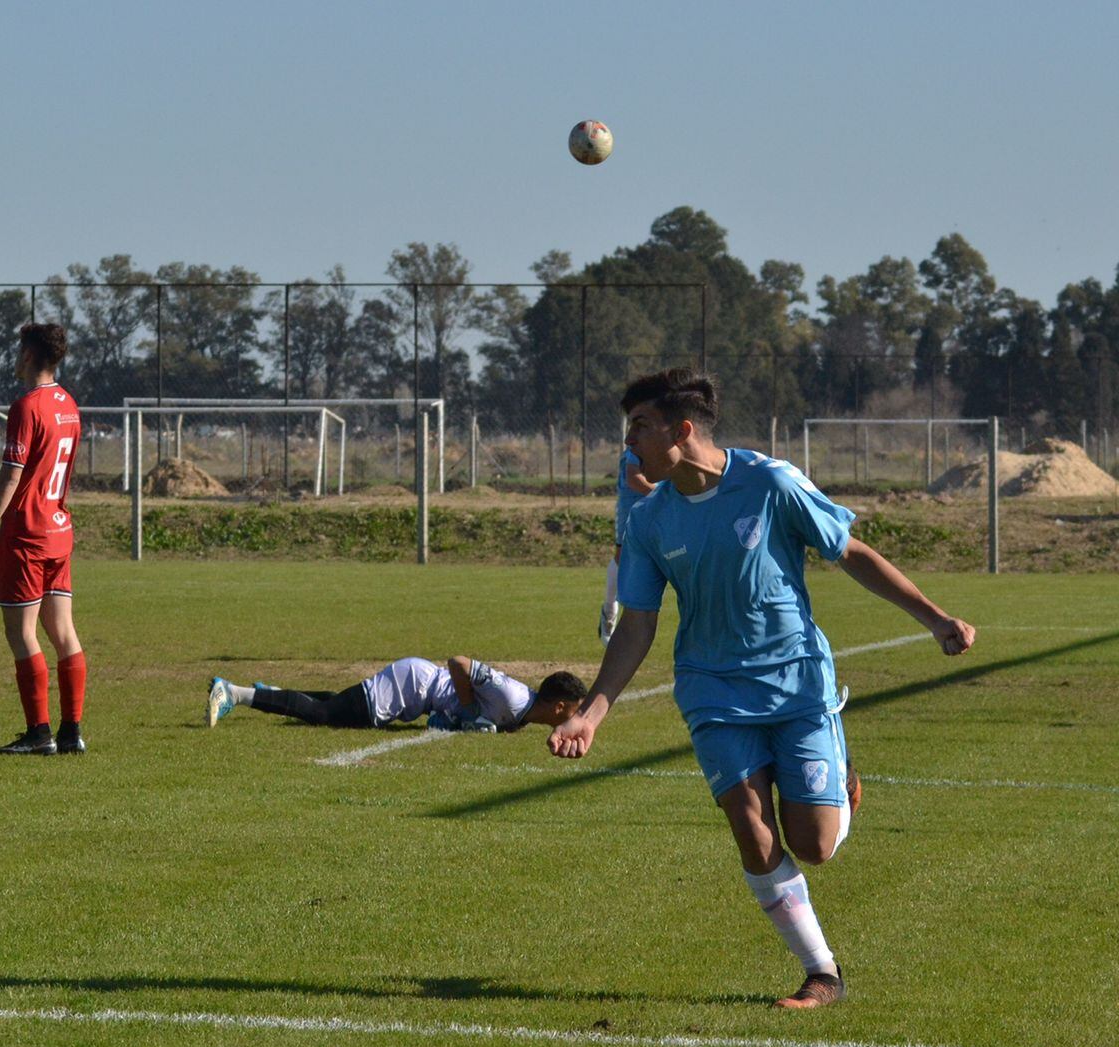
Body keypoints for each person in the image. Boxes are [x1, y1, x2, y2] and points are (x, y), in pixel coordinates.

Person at [546, 368, 975, 1010]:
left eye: (639, 427)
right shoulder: (648, 520)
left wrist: (936, 618)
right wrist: (590, 715)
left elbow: (848, 550)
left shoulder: (770, 482)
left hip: (798, 683)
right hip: (712, 692)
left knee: (815, 846)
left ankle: (841, 785)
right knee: (750, 827)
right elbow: (637, 626)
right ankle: (822, 972)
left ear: (681, 430)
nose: (628, 445)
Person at [0, 323, 86, 755]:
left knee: (22, 634)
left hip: (29, 536)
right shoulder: (69, 405)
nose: (15, 357)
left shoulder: (26, 407)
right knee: (64, 631)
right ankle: (72, 732)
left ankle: (39, 733)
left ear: (31, 356)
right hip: (58, 529)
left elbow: (13, 473)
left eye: (20, 350)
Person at [206, 657, 589, 733]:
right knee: (325, 716)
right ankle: (234, 694)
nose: (575, 718)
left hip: (419, 692)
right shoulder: (512, 697)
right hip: (414, 685)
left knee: (338, 704)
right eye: (574, 711)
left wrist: (455, 720)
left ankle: (274, 694)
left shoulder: (521, 717)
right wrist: (469, 711)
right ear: (559, 707)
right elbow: (459, 663)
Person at [600, 445, 655, 644]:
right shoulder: (636, 446)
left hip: (658, 506)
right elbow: (633, 478)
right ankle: (609, 609)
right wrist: (663, 492)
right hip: (631, 506)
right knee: (622, 556)